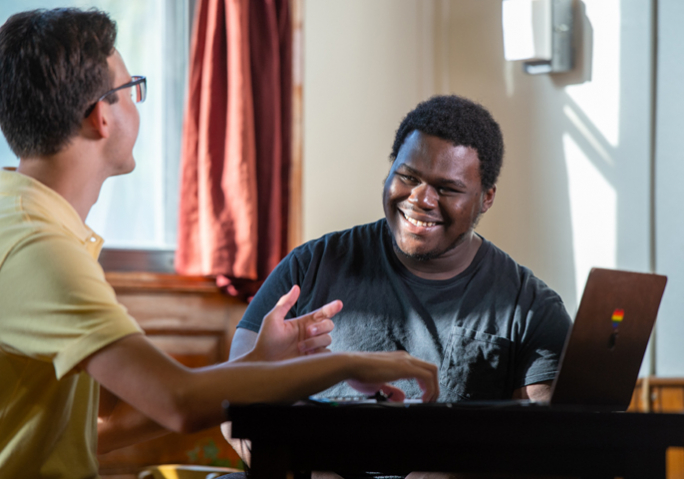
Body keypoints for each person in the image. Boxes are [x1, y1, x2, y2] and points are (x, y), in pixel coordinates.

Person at [0, 8, 439, 479]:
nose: (137, 103)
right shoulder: (41, 248)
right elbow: (179, 402)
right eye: (132, 89)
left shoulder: (23, 217)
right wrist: (351, 364)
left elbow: (101, 426)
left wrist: (259, 361)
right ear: (100, 116)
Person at [230, 95, 573, 404]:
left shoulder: (530, 309)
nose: (421, 199)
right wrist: (311, 474)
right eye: (408, 177)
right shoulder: (308, 268)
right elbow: (233, 408)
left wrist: (454, 474)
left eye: (448, 188)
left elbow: (540, 448)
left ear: (487, 198)